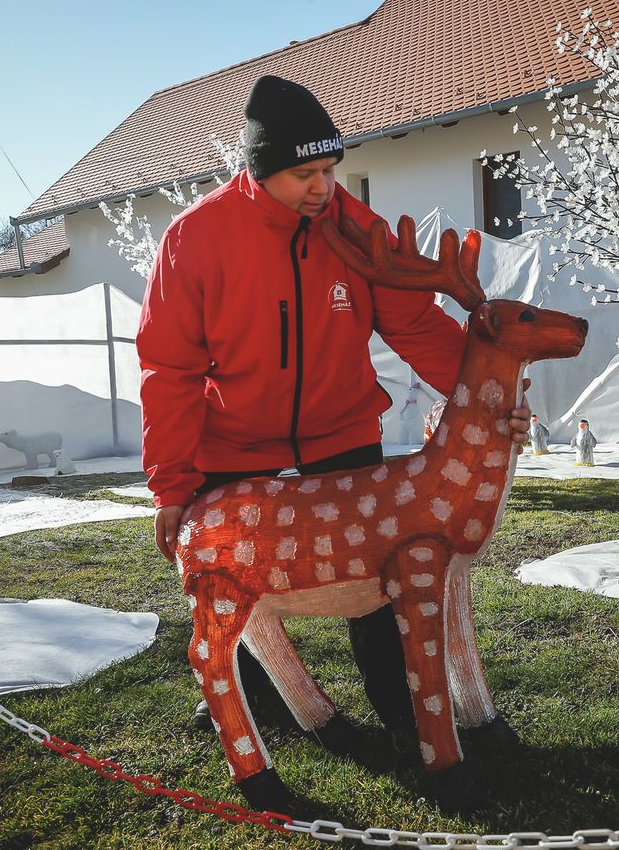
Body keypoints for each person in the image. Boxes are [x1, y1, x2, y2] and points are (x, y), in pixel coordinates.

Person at [137, 75, 531, 763]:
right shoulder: (194, 240)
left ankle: (408, 714)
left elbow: (416, 324)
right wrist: (172, 485)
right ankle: (254, 702)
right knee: (240, 578)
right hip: (233, 443)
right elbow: (168, 372)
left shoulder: (355, 230)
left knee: (383, 581)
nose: (322, 187)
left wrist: (492, 400)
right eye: (303, 174)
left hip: (344, 431)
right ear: (258, 172)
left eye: (329, 169)